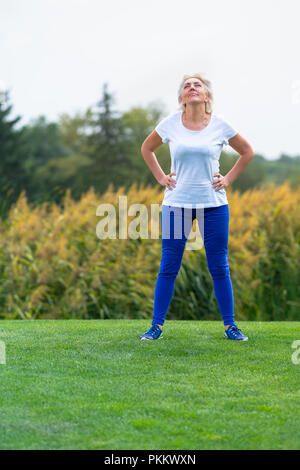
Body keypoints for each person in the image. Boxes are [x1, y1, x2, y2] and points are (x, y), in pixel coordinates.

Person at [140, 73, 255, 341]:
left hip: (213, 205)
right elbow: (147, 148)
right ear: (182, 98)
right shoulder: (170, 124)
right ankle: (156, 327)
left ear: (206, 96)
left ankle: (230, 326)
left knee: (219, 267)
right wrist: (161, 178)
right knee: (169, 266)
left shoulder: (219, 125)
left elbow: (247, 151)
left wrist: (227, 179)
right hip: (176, 204)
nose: (192, 88)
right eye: (186, 86)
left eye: (197, 85)